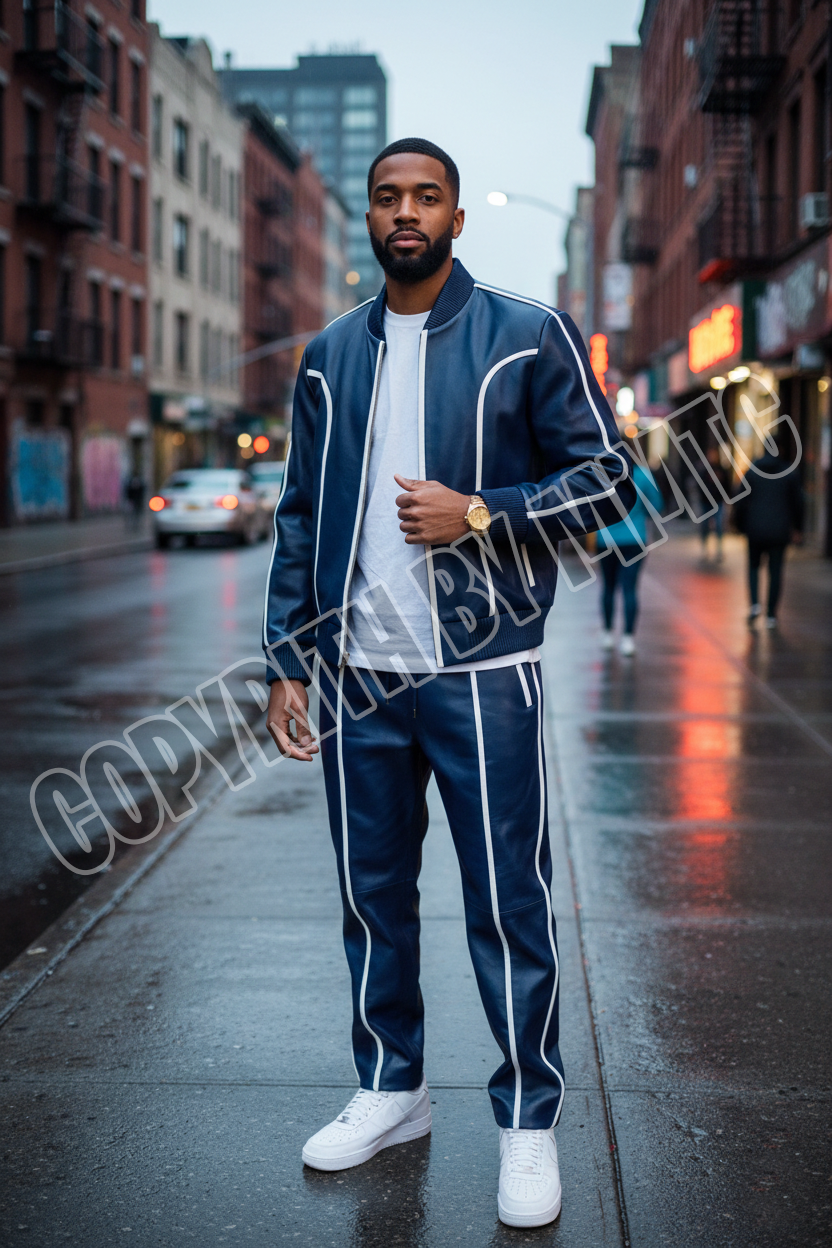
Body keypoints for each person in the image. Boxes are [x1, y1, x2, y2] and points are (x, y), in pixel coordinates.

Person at [262, 138, 634, 1229]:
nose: (406, 212)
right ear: (369, 221)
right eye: (387, 198)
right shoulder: (330, 353)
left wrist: (478, 512)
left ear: (458, 218)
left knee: (506, 904)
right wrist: (290, 661)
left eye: (426, 196)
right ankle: (392, 1089)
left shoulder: (528, 334)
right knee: (369, 900)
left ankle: (526, 1121)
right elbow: (295, 517)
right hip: (357, 678)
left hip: (484, 671)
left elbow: (609, 483)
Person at [733, 441, 804, 628]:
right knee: (775, 571)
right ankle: (771, 614)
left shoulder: (752, 471)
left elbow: (740, 500)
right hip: (779, 530)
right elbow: (798, 503)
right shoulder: (788, 472)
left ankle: (755, 604)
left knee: (754, 568)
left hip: (755, 529)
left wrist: (740, 526)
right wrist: (798, 528)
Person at [597, 457, 663, 655]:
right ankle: (628, 638)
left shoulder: (602, 475)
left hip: (606, 539)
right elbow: (657, 506)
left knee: (608, 587)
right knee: (630, 589)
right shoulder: (642, 475)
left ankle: (608, 634)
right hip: (635, 539)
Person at [698, 446, 731, 562]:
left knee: (719, 526)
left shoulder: (721, 470)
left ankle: (719, 549)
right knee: (705, 526)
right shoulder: (704, 470)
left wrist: (726, 498)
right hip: (706, 502)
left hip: (718, 501)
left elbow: (727, 485)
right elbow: (699, 484)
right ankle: (705, 549)